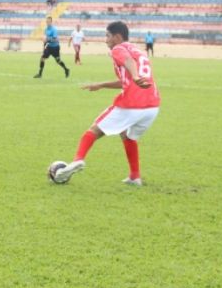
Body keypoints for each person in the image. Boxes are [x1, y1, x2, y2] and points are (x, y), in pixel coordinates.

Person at [53, 21, 160, 186]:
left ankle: (77, 160)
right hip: (152, 107)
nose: (106, 40)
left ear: (117, 37)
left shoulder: (119, 49)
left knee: (94, 130)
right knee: (127, 135)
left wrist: (136, 76)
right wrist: (101, 85)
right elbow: (126, 80)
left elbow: (128, 61)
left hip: (133, 104)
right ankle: (134, 176)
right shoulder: (139, 51)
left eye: (107, 36)